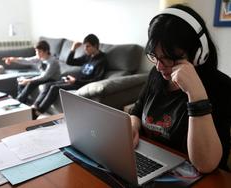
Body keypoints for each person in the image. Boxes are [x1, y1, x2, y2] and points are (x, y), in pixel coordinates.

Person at [130, 4, 231, 173]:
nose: (159, 67)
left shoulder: (221, 87)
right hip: (150, 164)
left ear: (199, 54)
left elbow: (206, 164)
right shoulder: (156, 75)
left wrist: (196, 94)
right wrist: (133, 126)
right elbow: (137, 110)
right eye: (155, 57)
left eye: (169, 58)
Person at [31, 34, 107, 119]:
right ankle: (35, 106)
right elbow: (70, 62)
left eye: (88, 46)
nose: (85, 49)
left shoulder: (102, 60)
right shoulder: (88, 56)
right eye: (84, 46)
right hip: (74, 80)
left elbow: (96, 79)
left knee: (54, 88)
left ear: (95, 45)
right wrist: (73, 48)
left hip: (81, 84)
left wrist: (76, 81)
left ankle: (38, 112)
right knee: (48, 84)